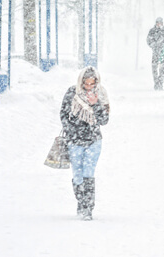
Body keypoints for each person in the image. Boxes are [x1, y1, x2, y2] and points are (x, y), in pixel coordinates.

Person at [60, 66, 110, 221]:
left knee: (88, 173)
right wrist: (70, 129)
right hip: (75, 140)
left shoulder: (101, 94)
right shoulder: (71, 92)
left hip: (93, 140)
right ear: (81, 82)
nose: (89, 87)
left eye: (92, 84)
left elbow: (104, 120)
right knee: (77, 175)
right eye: (86, 84)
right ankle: (81, 202)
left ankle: (87, 208)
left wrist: (95, 105)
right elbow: (63, 113)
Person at [147, 17, 164, 90]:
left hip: (163, 53)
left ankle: (160, 82)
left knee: (162, 69)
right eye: (157, 22)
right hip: (155, 53)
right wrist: (154, 45)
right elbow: (148, 40)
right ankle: (156, 82)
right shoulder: (152, 31)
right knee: (154, 68)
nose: (159, 24)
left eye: (160, 23)